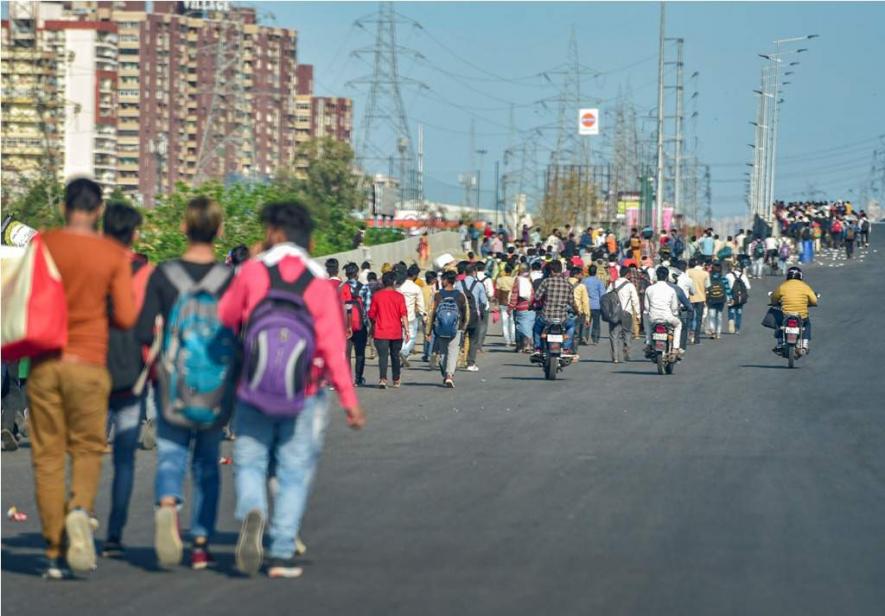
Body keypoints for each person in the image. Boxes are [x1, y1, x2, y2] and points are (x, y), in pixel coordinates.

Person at [218, 200, 364, 579]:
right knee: (294, 469)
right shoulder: (318, 281)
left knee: (250, 460)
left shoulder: (251, 273)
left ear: (273, 233)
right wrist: (349, 400)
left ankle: (253, 509)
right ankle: (281, 552)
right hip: (304, 390)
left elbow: (226, 321)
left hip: (253, 384)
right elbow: (333, 344)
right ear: (307, 239)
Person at [26, 178, 137, 579]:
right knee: (88, 447)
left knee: (48, 456)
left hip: (44, 363)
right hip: (90, 363)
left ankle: (54, 551)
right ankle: (79, 509)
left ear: (64, 208)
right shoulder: (111, 254)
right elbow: (125, 316)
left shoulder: (43, 245)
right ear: (99, 211)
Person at [136, 196, 234, 571]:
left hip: (172, 380)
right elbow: (237, 334)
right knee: (208, 463)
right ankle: (201, 543)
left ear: (183, 227)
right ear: (220, 230)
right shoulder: (228, 279)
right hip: (214, 383)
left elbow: (145, 329)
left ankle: (166, 505)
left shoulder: (163, 275)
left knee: (172, 452)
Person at [101, 202, 155, 558]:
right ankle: (115, 535)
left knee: (83, 453)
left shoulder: (90, 264)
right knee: (123, 459)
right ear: (134, 233)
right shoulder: (145, 271)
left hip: (89, 365)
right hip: (130, 373)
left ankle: (79, 514)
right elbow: (152, 326)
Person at [369, 271, 410, 388]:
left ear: (382, 282)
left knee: (382, 357)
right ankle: (396, 379)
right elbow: (404, 314)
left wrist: (373, 325)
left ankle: (383, 379)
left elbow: (371, 314)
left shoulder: (376, 296)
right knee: (395, 356)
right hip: (396, 332)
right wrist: (407, 331)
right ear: (394, 282)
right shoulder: (399, 296)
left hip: (381, 331)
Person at [531, 260, 579, 357]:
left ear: (551, 271)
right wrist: (577, 311)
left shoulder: (546, 282)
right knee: (571, 326)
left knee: (536, 327)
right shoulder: (568, 284)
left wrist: (531, 305)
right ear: (561, 271)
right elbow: (572, 302)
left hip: (546, 317)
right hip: (562, 318)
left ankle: (538, 348)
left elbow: (536, 297)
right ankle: (566, 348)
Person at [430, 270, 468, 387]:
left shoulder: (437, 295)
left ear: (446, 281)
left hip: (440, 329)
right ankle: (449, 375)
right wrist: (463, 327)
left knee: (443, 352)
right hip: (456, 329)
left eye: (442, 280)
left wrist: (428, 330)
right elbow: (466, 314)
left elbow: (431, 313)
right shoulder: (461, 295)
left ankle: (446, 374)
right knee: (453, 352)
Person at [769, 266, 817, 353]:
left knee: (779, 323)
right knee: (807, 324)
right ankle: (805, 344)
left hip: (786, 314)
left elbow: (774, 298)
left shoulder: (783, 286)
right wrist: (811, 304)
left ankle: (780, 343)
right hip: (801, 315)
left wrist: (774, 303)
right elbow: (814, 300)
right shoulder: (805, 286)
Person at [644, 266, 684, 355]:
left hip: (653, 318)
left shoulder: (649, 289)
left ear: (656, 276)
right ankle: (675, 348)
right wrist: (675, 313)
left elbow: (646, 307)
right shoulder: (671, 290)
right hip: (667, 318)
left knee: (648, 324)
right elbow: (674, 309)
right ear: (667, 277)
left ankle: (648, 343)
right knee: (678, 325)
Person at [340, 262, 369, 386]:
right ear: (357, 274)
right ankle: (358, 378)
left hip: (346, 325)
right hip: (360, 325)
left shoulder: (342, 288)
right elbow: (368, 308)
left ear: (346, 274)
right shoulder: (364, 287)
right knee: (360, 353)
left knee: (347, 353)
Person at [457, 263, 489, 372]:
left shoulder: (458, 284)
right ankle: (470, 363)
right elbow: (484, 302)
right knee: (473, 340)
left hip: (461, 315)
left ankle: (456, 359)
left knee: (459, 338)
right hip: (474, 315)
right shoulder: (479, 285)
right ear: (474, 272)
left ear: (465, 273)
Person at [606, 267, 639, 364]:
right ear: (628, 274)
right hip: (626, 313)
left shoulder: (612, 284)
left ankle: (615, 357)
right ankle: (627, 351)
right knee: (627, 333)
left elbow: (606, 296)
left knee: (614, 335)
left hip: (614, 313)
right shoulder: (630, 285)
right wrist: (638, 314)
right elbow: (635, 300)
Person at [397, 264, 426, 368]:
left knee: (401, 336)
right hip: (411, 316)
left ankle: (401, 352)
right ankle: (404, 352)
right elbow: (420, 304)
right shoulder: (416, 288)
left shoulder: (400, 287)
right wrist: (424, 315)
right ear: (415, 275)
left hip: (399, 316)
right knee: (412, 337)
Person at [509, 264, 536, 353]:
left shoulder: (518, 279)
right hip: (531, 306)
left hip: (521, 307)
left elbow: (515, 293)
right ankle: (528, 345)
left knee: (522, 327)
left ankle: (525, 345)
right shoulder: (530, 279)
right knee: (528, 326)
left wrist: (511, 306)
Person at [686, 258, 709, 345]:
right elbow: (707, 286)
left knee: (690, 317)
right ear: (702, 264)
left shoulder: (688, 272)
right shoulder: (705, 274)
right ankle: (697, 339)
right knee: (699, 319)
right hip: (701, 298)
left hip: (690, 298)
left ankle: (689, 335)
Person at [705, 263, 730, 340]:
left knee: (712, 316)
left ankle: (713, 331)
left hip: (711, 300)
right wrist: (730, 298)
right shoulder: (724, 279)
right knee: (719, 316)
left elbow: (706, 289)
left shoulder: (709, 278)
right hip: (721, 300)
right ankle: (718, 333)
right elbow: (727, 289)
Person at [568, 266, 590, 352]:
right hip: (577, 312)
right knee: (575, 333)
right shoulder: (581, 286)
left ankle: (565, 349)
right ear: (576, 275)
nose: (583, 276)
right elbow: (585, 302)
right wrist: (587, 316)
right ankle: (573, 351)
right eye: (581, 274)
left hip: (563, 311)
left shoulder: (564, 282)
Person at [582, 265, 606, 345]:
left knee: (586, 321)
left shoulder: (584, 281)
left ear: (588, 272)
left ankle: (585, 336)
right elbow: (602, 295)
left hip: (586, 305)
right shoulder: (599, 282)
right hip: (596, 305)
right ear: (596, 272)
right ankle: (595, 339)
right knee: (596, 323)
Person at [726, 266, 751, 335]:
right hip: (740, 297)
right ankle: (737, 329)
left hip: (730, 297)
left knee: (731, 311)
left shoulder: (728, 275)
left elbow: (725, 285)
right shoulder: (743, 276)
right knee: (739, 313)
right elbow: (748, 287)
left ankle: (731, 327)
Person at [495, 263, 516, 347]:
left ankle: (507, 341)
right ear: (511, 271)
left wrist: (496, 303)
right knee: (512, 321)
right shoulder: (514, 280)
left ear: (505, 271)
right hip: (512, 302)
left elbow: (497, 293)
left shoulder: (500, 280)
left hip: (503, 302)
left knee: (504, 322)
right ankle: (513, 339)